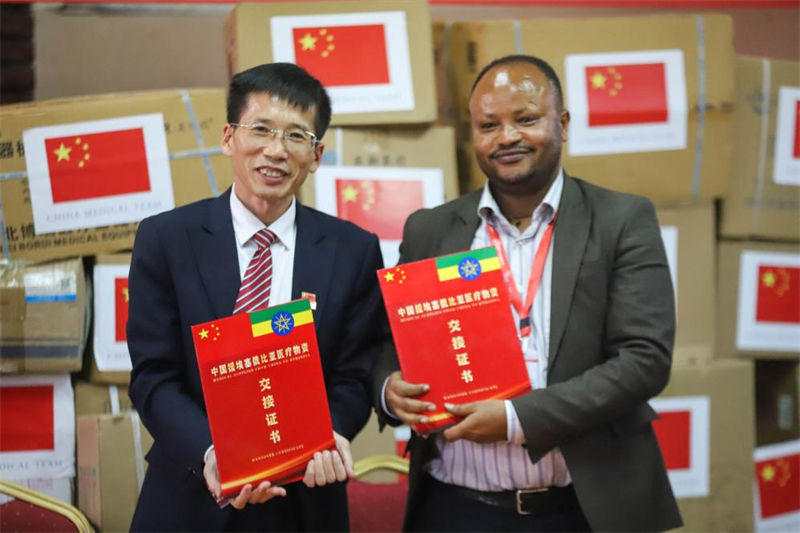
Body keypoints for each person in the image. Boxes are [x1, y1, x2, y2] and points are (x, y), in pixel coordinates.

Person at [372, 54, 683, 532]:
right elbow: (390, 345)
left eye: (526, 119)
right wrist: (390, 390)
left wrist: (519, 418)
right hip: (452, 510)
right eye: (488, 124)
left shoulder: (621, 220)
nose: (507, 137)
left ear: (562, 123)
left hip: (583, 509)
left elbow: (644, 360)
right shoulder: (429, 230)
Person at [127, 63, 384, 532]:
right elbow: (153, 376)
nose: (276, 150)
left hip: (306, 499)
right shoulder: (167, 239)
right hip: (189, 493)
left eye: (296, 136)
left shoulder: (353, 250)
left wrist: (330, 434)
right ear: (228, 138)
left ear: (317, 154)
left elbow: (354, 376)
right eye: (260, 129)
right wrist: (212, 453)